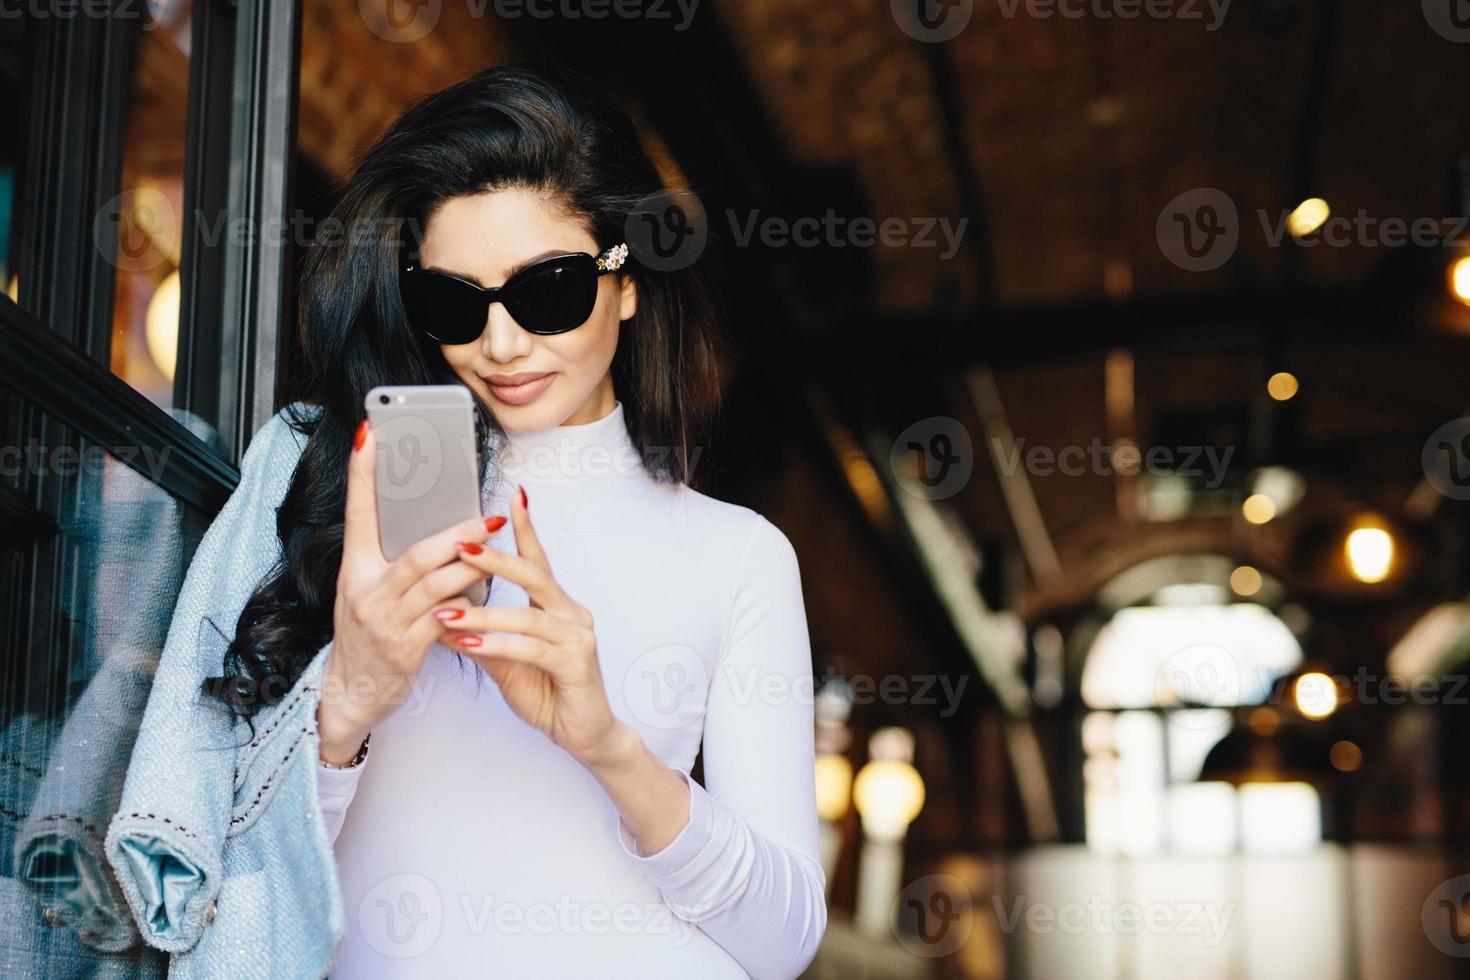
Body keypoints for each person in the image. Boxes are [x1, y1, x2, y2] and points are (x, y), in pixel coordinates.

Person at [106, 64, 826, 979]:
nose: (501, 343)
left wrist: (606, 743)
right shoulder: (327, 479)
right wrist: (353, 698)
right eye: (454, 300)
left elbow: (786, 939)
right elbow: (219, 882)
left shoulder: (738, 557)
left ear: (629, 282)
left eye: (550, 290)